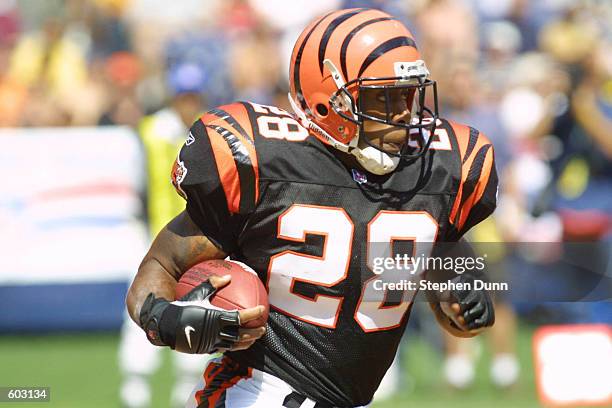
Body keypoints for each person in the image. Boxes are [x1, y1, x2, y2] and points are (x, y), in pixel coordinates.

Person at [126, 8, 497, 407]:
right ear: (329, 100)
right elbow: (162, 267)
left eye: (408, 94)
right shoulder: (265, 161)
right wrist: (167, 319)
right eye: (384, 98)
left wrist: (464, 287)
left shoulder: (435, 169)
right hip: (259, 394)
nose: (405, 114)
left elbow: (440, 243)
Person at [119, 62, 211, 408]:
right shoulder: (151, 130)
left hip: (196, 239)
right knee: (144, 302)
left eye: (194, 95)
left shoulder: (205, 128)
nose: (189, 102)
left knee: (197, 304)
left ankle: (186, 384)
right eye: (184, 96)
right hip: (154, 233)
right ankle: (136, 382)